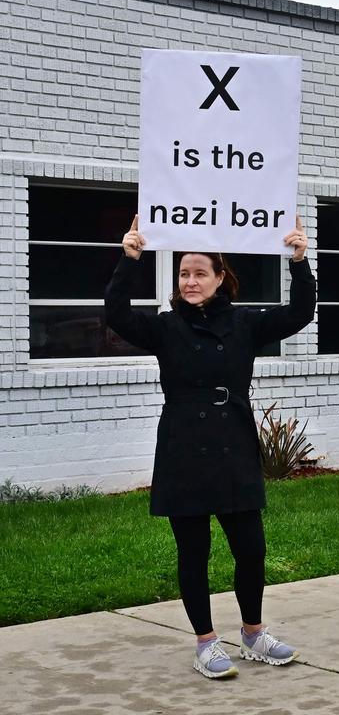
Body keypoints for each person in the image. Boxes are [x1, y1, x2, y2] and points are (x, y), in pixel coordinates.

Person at [105, 215, 316, 680]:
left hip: (233, 443)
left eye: (201, 273)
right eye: (184, 273)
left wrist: (299, 262)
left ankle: (253, 634)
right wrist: (130, 259)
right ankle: (205, 642)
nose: (191, 281)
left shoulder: (243, 324)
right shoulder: (165, 327)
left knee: (251, 547)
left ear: (221, 278)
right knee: (193, 551)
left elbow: (299, 314)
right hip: (183, 445)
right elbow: (117, 316)